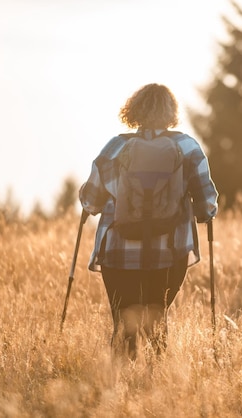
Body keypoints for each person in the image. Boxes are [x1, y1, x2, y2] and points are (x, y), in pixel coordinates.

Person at [79, 83, 218, 358]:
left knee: (123, 324)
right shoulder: (187, 147)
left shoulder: (115, 147)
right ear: (171, 113)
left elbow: (90, 200)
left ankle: (116, 391)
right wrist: (203, 211)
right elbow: (207, 204)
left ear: (134, 111)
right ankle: (156, 386)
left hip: (118, 253)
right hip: (170, 251)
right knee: (156, 319)